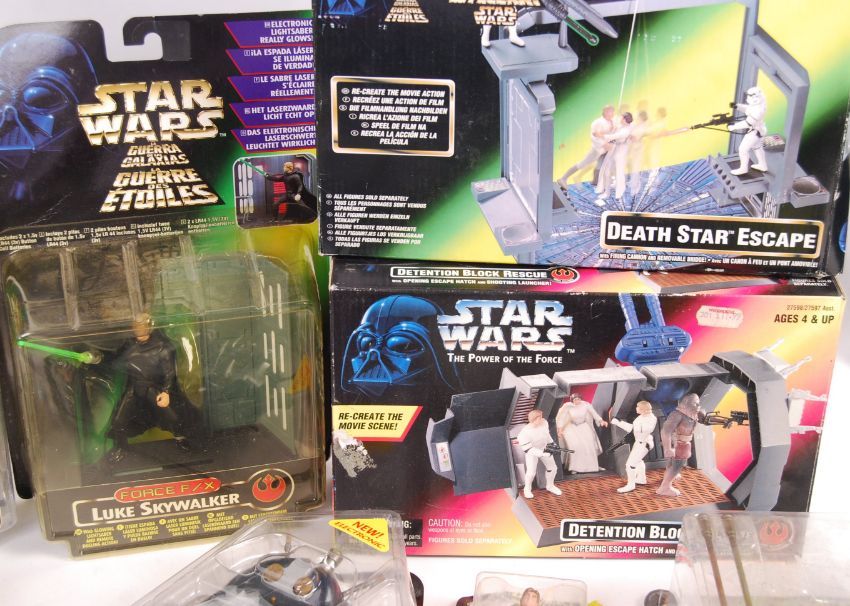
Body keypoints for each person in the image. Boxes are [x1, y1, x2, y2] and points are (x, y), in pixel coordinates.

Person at [106, 313, 196, 463]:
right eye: (136, 326)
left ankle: (180, 437)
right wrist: (97, 357)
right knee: (118, 421)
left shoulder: (161, 346)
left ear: (149, 327)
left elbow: (169, 373)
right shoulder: (128, 345)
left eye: (142, 325)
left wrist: (166, 391)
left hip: (154, 388)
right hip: (134, 387)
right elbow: (114, 359)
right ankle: (121, 447)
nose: (139, 329)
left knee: (172, 417)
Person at [557, 105, 615, 189]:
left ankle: (596, 181)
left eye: (613, 111)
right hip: (597, 149)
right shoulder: (597, 122)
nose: (612, 113)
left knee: (601, 165)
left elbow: (609, 134)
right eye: (610, 111)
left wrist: (612, 130)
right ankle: (563, 178)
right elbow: (594, 136)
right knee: (582, 164)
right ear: (605, 112)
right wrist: (604, 144)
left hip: (604, 150)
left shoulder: (611, 122)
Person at [657, 393, 702, 496]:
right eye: (695, 403)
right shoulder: (677, 415)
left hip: (683, 443)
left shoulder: (692, 414)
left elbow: (705, 419)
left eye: (698, 403)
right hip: (678, 443)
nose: (698, 405)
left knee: (674, 463)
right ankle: (665, 487)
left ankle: (669, 475)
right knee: (677, 465)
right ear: (687, 403)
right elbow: (665, 431)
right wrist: (667, 448)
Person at [611, 400, 657, 493]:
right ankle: (641, 478)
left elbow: (643, 430)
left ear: (643, 409)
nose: (636, 408)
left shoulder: (651, 418)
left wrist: (621, 425)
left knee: (630, 465)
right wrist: (618, 423)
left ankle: (631, 485)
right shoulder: (641, 417)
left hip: (644, 443)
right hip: (639, 442)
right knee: (638, 461)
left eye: (638, 407)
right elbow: (633, 428)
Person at [556, 393, 608, 473]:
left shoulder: (586, 405)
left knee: (589, 446)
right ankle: (575, 468)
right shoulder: (567, 406)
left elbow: (594, 414)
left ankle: (592, 467)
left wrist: (601, 421)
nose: (577, 401)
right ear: (572, 400)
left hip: (584, 426)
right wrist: (560, 429)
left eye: (578, 399)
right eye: (575, 400)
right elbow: (562, 418)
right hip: (572, 428)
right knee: (575, 447)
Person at [517, 409, 562, 499]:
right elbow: (528, 449)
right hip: (532, 453)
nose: (542, 419)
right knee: (531, 472)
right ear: (533, 419)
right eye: (539, 418)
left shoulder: (544, 423)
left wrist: (552, 444)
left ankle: (550, 485)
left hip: (544, 448)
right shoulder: (524, 433)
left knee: (553, 468)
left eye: (541, 417)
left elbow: (547, 435)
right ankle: (527, 489)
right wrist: (542, 453)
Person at [728, 86, 768, 175]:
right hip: (759, 130)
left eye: (750, 96)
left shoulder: (758, 110)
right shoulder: (759, 105)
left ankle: (743, 169)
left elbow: (748, 123)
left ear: (755, 96)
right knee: (757, 147)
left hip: (755, 132)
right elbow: (748, 109)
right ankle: (763, 165)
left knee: (742, 150)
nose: (748, 97)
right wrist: (737, 106)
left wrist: (733, 127)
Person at [595, 111, 634, 201]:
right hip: (614, 149)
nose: (620, 119)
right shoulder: (622, 126)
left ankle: (618, 193)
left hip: (621, 152)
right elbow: (613, 132)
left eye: (621, 118)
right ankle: (605, 190)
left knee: (619, 172)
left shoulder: (626, 130)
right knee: (606, 170)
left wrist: (601, 136)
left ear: (625, 119)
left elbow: (613, 136)